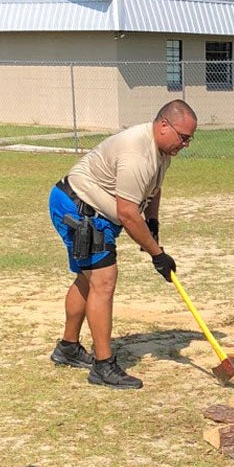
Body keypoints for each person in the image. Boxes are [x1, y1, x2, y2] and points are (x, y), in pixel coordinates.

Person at [48, 100, 197, 389]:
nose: (186, 144)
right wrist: (158, 255)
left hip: (89, 208)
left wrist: (152, 226)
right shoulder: (137, 152)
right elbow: (128, 213)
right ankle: (103, 366)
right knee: (103, 282)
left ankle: (67, 348)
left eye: (190, 139)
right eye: (183, 137)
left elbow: (154, 189)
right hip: (80, 208)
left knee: (87, 279)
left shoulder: (162, 150)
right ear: (163, 125)